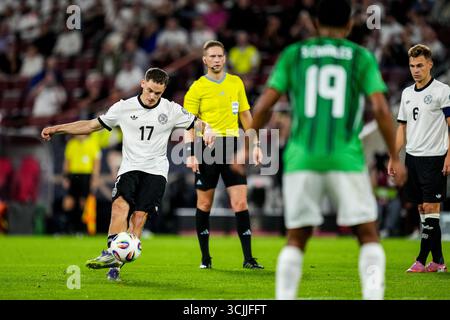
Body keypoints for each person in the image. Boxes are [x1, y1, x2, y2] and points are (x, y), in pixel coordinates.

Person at [235, 0, 406, 299]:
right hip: (346, 159)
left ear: (314, 23)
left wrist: (246, 145)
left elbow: (263, 106)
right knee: (367, 235)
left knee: (296, 238)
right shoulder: (360, 56)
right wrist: (394, 155)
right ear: (350, 24)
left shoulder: (294, 54)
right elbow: (380, 108)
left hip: (302, 158)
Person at [41, 68, 211, 281]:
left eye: (158, 93)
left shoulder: (171, 109)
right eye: (149, 90)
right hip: (129, 167)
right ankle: (111, 255)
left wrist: (209, 129)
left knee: (138, 219)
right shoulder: (123, 107)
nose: (152, 97)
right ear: (142, 83)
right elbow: (91, 125)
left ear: (164, 91)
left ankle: (117, 263)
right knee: (119, 206)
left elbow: (198, 123)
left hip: (156, 171)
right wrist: (57, 128)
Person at [183, 40, 264, 269]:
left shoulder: (236, 83)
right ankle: (205, 258)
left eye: (220, 56)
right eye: (212, 56)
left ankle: (248, 258)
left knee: (240, 202)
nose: (217, 60)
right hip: (206, 149)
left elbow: (247, 117)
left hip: (233, 147)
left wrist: (255, 144)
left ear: (225, 58)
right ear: (205, 60)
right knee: (205, 204)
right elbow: (188, 124)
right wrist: (191, 153)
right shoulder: (197, 88)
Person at [389, 44, 450, 273]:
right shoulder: (406, 94)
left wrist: (449, 156)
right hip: (412, 158)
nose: (416, 70)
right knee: (424, 211)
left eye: (420, 65)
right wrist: (394, 157)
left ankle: (421, 259)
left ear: (430, 64)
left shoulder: (442, 91)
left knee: (430, 206)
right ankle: (439, 261)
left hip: (434, 158)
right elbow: (401, 129)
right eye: (412, 66)